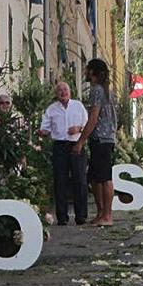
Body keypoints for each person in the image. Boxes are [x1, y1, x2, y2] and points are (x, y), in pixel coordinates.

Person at [38, 82, 89, 225]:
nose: (62, 92)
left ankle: (81, 216)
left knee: (80, 180)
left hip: (76, 145)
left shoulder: (78, 106)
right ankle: (62, 216)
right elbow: (45, 128)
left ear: (70, 91)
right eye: (59, 90)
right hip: (59, 146)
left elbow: (88, 125)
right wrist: (43, 132)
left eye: (65, 89)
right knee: (60, 181)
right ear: (56, 94)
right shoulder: (51, 109)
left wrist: (78, 129)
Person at [78, 58, 117, 227]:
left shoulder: (97, 91)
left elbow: (93, 118)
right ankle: (101, 213)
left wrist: (80, 141)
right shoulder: (106, 91)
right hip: (104, 138)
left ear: (93, 72)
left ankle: (107, 215)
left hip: (101, 138)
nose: (85, 72)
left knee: (104, 177)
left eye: (87, 69)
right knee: (94, 177)